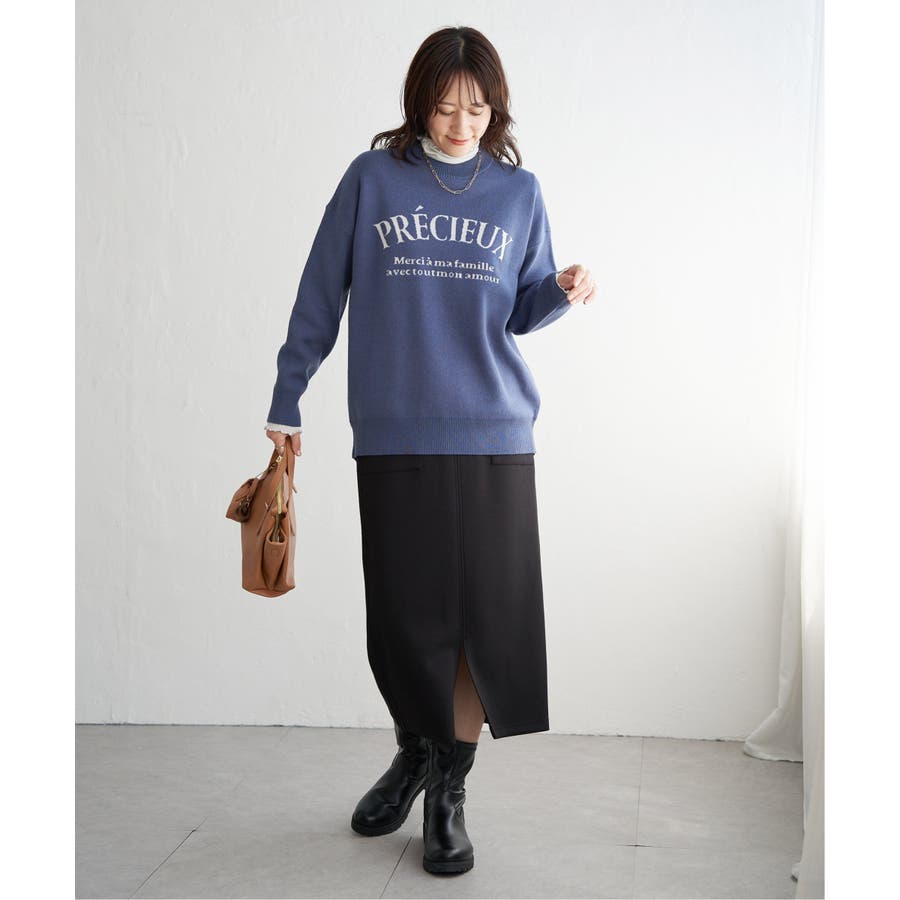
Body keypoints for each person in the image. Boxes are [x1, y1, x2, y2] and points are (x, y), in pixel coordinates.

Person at [263, 25, 596, 876]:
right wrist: (288, 393)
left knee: (484, 625)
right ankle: (414, 752)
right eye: (445, 108)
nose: (460, 124)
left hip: (494, 433)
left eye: (476, 110)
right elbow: (320, 291)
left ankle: (448, 790)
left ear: (496, 109)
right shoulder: (372, 179)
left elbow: (521, 308)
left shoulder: (519, 193)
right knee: (406, 622)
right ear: (419, 104)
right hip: (396, 432)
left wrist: (560, 291)